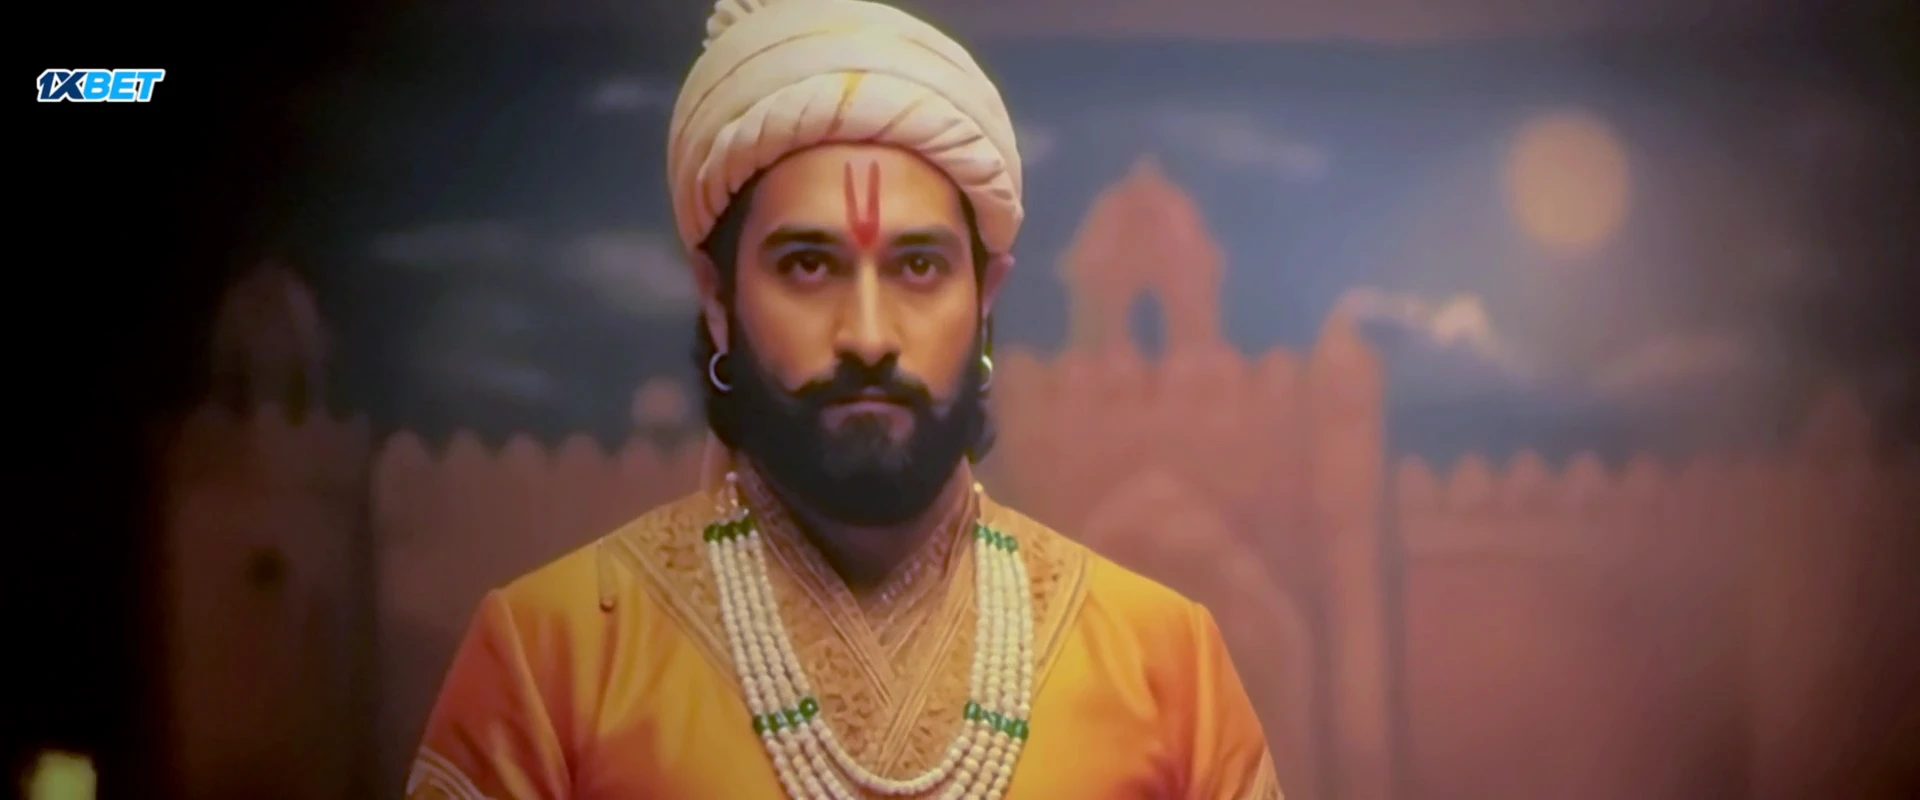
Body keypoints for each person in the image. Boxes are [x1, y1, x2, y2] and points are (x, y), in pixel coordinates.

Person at [405, 1, 1281, 797]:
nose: (867, 334)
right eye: (808, 265)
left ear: (985, 300)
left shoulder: (1167, 665)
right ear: (718, 298)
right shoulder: (553, 658)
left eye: (919, 266)